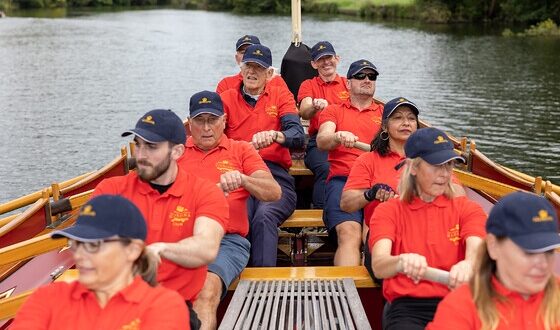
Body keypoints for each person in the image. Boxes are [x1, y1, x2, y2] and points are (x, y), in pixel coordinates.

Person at [92, 109, 229, 329]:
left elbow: (206, 248)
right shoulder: (111, 190)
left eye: (152, 147)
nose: (141, 155)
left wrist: (160, 249)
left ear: (177, 151)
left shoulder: (204, 193)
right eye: (138, 144)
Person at [178, 90, 281, 330]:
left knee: (205, 289)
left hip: (226, 242)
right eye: (199, 121)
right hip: (178, 237)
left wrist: (244, 180)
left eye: (212, 120)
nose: (206, 128)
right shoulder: (175, 152)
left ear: (224, 120)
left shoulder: (241, 150)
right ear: (189, 123)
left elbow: (273, 192)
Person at [11, 194, 190, 329]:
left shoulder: (164, 306)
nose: (79, 255)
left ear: (132, 250)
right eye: (76, 244)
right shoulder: (46, 299)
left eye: (93, 245)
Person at [369, 127, 487, 330]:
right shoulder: (388, 212)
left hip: (457, 302)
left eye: (449, 165)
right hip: (407, 308)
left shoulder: (467, 209)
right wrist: (401, 262)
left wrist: (469, 265)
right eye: (436, 166)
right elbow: (379, 266)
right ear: (413, 167)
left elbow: (476, 249)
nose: (445, 174)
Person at [220, 43, 305, 267]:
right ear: (241, 67)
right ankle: (233, 278)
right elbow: (211, 135)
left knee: (265, 216)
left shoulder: (280, 96)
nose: (251, 72)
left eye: (258, 68)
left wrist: (275, 135)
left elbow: (297, 135)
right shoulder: (226, 98)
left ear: (269, 74)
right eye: (248, 65)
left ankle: (262, 285)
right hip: (237, 173)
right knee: (237, 213)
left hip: (275, 174)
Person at [427, 191, 560, 330]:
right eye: (529, 252)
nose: (543, 264)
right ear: (493, 246)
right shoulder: (460, 308)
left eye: (549, 251)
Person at [340, 97, 419, 277]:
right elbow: (346, 204)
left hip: (422, 233)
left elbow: (458, 196)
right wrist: (371, 194)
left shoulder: (430, 160)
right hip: (384, 238)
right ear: (384, 127)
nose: (406, 122)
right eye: (398, 118)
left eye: (411, 118)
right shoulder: (368, 160)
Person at [316, 59, 383, 266]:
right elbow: (322, 140)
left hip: (381, 182)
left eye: (371, 76)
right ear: (348, 83)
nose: (366, 80)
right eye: (360, 76)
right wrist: (337, 137)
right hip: (343, 182)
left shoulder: (386, 114)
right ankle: (347, 292)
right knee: (349, 234)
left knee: (377, 237)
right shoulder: (334, 111)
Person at [298, 41, 349, 209]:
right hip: (319, 142)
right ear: (314, 64)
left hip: (347, 140)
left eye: (329, 57)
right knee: (327, 168)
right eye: (321, 59)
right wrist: (314, 105)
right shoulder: (309, 85)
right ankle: (321, 215)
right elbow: (304, 111)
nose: (326, 62)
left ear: (337, 59)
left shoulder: (348, 84)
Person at [216, 34, 289, 94]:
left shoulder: (277, 81)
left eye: (253, 51)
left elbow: (291, 107)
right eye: (243, 52)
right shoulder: (226, 84)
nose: (249, 55)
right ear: (237, 58)